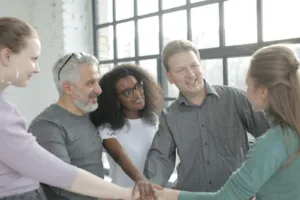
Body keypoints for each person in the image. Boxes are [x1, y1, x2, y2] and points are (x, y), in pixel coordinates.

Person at [0, 16, 137, 200]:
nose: (37, 69)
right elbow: (59, 176)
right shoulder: (45, 124)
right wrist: (122, 194)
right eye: (33, 59)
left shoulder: (91, 117)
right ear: (7, 56)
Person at [153, 44, 300, 200]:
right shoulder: (169, 116)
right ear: (169, 77)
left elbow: (274, 140)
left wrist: (258, 181)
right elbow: (160, 158)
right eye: (181, 70)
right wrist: (151, 187)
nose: (190, 74)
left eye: (194, 65)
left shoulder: (236, 98)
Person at [27, 51, 105, 200]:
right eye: (90, 83)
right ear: (68, 88)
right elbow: (63, 182)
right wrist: (114, 195)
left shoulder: (89, 115)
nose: (98, 90)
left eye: (97, 81)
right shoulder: (46, 126)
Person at [89, 64, 164, 197]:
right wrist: (142, 181)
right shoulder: (107, 128)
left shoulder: (153, 120)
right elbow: (120, 157)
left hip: (154, 194)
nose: (138, 94)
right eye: (128, 92)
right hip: (123, 195)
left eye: (138, 87)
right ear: (116, 99)